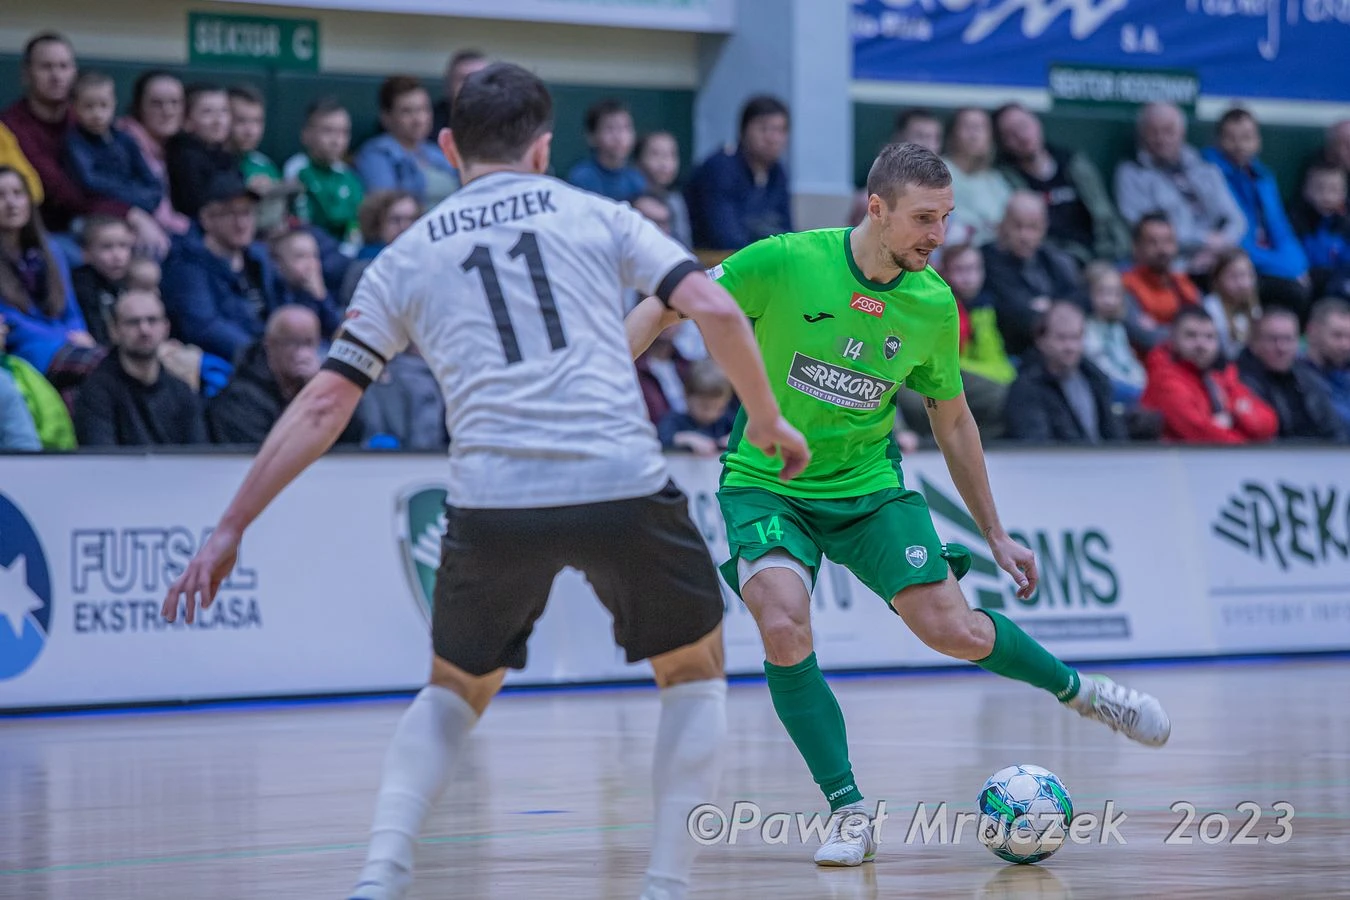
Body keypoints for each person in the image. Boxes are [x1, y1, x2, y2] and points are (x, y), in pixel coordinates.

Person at [159, 62, 808, 900]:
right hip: (619, 481)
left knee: (453, 692)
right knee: (693, 674)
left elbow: (323, 403)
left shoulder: (404, 254)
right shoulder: (600, 213)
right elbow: (713, 308)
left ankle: (381, 873)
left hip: (494, 497)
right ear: (543, 149)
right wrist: (766, 418)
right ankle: (665, 886)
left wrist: (231, 525)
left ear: (447, 146)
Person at [628, 141, 1171, 869]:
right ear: (877, 208)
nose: (937, 235)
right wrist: (600, 379)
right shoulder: (786, 259)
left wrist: (994, 532)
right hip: (767, 481)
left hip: (868, 487)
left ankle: (1082, 692)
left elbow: (954, 421)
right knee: (783, 625)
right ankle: (849, 809)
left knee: (955, 630)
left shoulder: (933, 301)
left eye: (945, 218)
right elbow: (665, 304)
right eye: (923, 218)